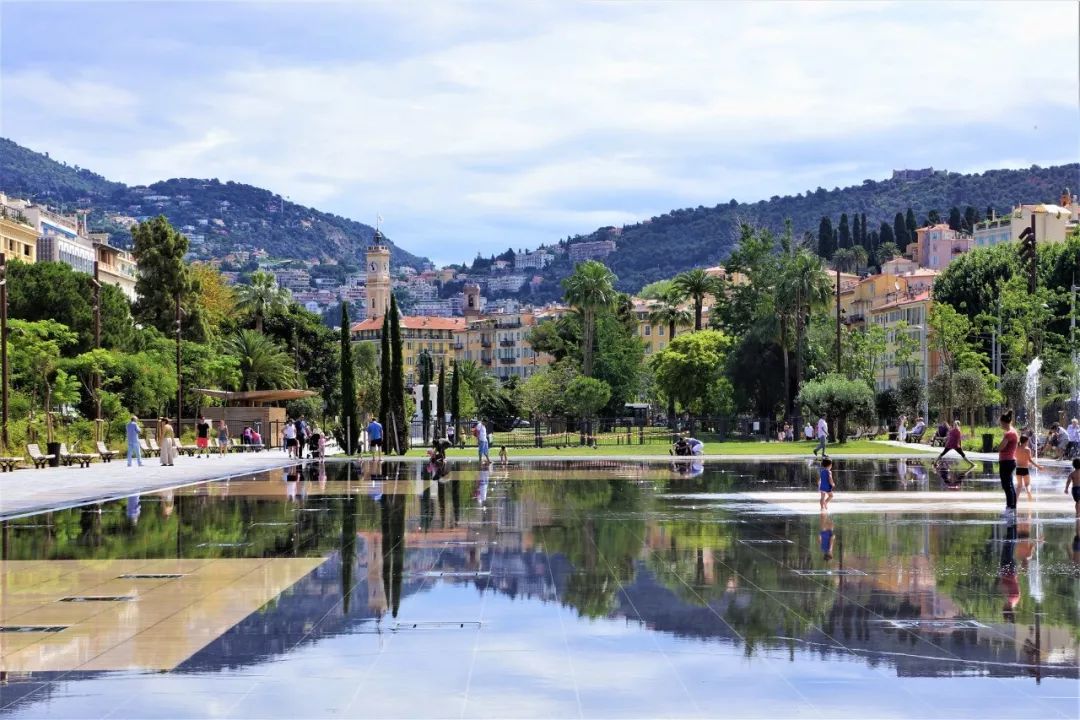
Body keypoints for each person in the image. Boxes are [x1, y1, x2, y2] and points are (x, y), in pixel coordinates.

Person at [997, 410, 1019, 516]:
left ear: (1004, 422)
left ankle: (1010, 507)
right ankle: (1012, 507)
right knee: (1009, 484)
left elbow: (1001, 447)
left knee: (1007, 485)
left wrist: (999, 446)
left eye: (1000, 422)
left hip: (1006, 461)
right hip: (1010, 461)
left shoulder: (1009, 433)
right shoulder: (1013, 431)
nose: (999, 424)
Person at [1014, 434, 1042, 500]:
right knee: (1027, 484)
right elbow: (1030, 460)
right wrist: (1038, 466)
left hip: (1018, 469)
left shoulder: (1016, 448)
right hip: (1025, 469)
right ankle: (1029, 493)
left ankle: (1015, 500)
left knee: (1019, 486)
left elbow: (1016, 458)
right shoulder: (1027, 450)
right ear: (1026, 441)